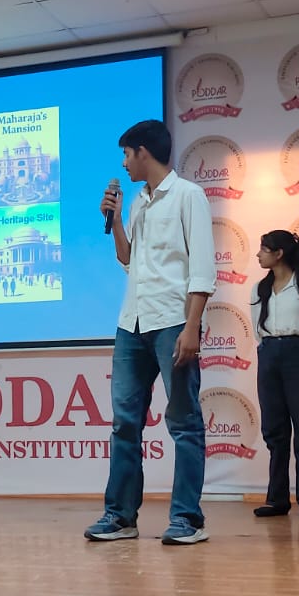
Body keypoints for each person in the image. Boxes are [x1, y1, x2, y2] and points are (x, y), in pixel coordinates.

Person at [85, 119, 215, 545]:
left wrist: (192, 327)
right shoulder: (139, 201)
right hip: (132, 323)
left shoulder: (188, 196)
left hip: (173, 321)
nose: (124, 163)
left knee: (183, 423)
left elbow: (202, 269)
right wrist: (116, 222)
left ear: (143, 152)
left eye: (127, 154)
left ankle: (187, 519)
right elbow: (129, 260)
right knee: (124, 423)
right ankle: (121, 517)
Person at [249, 229, 299, 520]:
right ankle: (277, 499)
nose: (258, 254)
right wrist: (273, 349)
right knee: (275, 431)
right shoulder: (259, 289)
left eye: (264, 249)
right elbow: (257, 330)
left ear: (279, 253)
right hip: (269, 355)